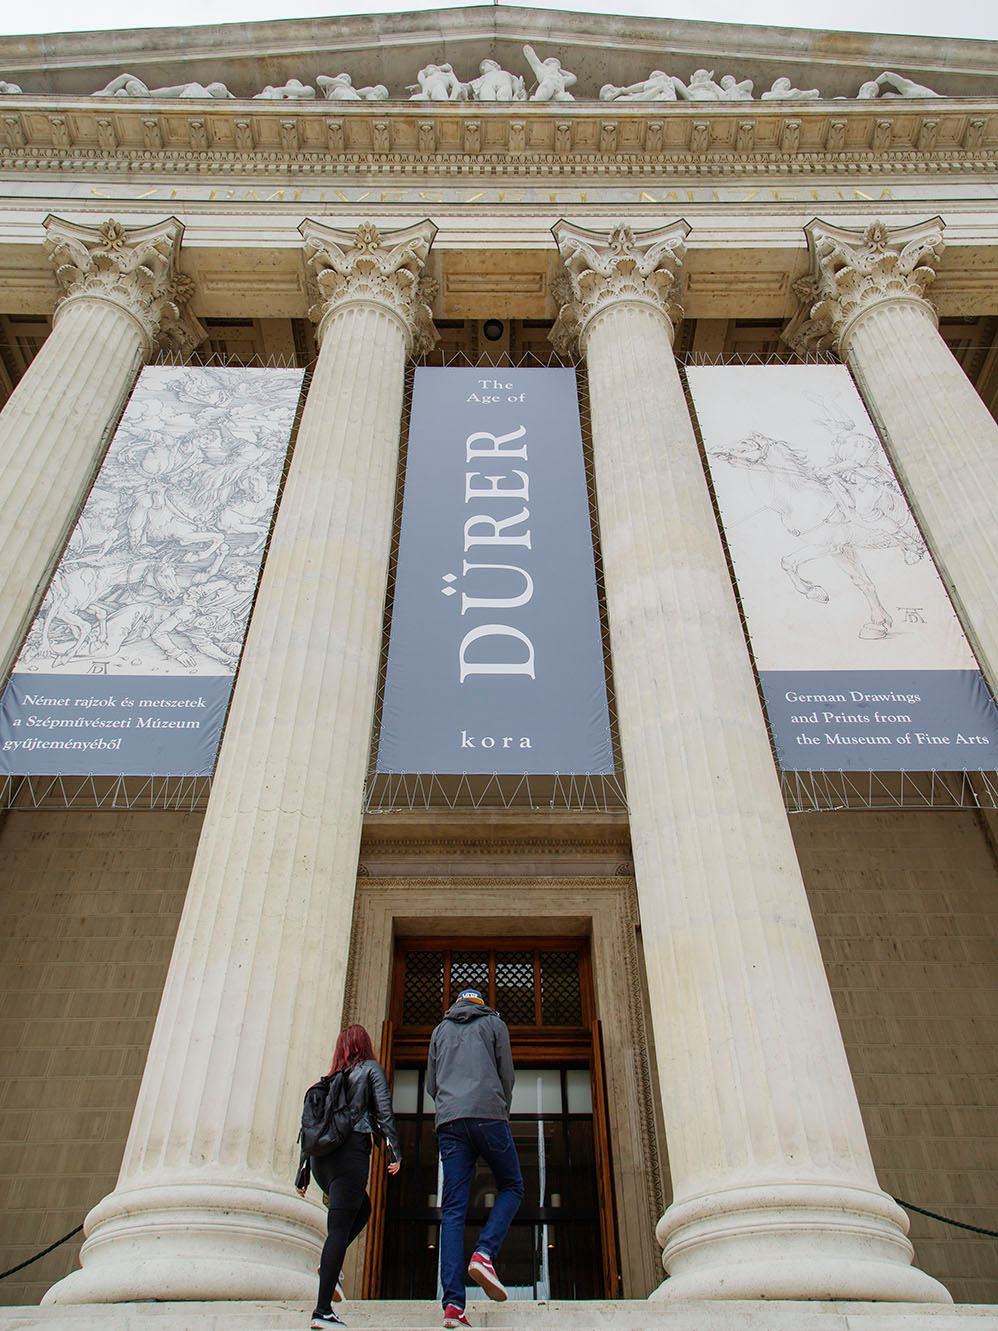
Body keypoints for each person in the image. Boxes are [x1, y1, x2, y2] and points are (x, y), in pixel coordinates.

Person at [427, 988, 523, 1330]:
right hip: (488, 1114)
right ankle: (484, 1253)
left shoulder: (439, 1031)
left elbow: (431, 1084)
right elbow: (507, 1074)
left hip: (450, 1121)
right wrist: (500, 1108)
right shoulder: (494, 1024)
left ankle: (453, 1306)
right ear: (481, 1004)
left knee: (453, 1210)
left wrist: (449, 1106)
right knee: (512, 1185)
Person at [296, 1024, 402, 1329]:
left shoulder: (330, 1080)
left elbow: (309, 1128)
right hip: (350, 1153)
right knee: (339, 1230)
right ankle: (322, 1311)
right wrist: (394, 1152)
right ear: (365, 1045)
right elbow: (384, 1112)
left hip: (321, 1162)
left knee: (363, 1209)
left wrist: (303, 1173)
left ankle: (331, 1265)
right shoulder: (369, 1069)